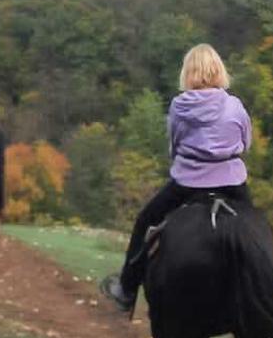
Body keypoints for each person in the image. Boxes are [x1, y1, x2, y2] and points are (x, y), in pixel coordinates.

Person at [100, 43, 252, 313]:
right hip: (232, 183)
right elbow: (245, 142)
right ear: (219, 70)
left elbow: (175, 147)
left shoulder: (179, 107)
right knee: (257, 230)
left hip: (188, 183)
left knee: (145, 221)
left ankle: (126, 288)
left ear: (188, 72)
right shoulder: (235, 105)